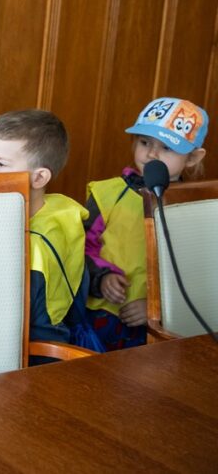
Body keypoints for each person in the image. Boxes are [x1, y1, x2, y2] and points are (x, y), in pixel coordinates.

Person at [84, 97, 208, 350]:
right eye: (144, 142)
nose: (152, 153)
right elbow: (80, 247)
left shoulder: (196, 207)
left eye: (166, 148)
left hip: (161, 327)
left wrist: (156, 305)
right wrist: (102, 278)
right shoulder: (106, 193)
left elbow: (197, 272)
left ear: (193, 158)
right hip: (102, 317)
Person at [0, 110, 90, 360]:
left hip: (31, 358)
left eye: (0, 164)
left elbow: (37, 332)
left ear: (39, 177)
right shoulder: (62, 211)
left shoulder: (32, 247)